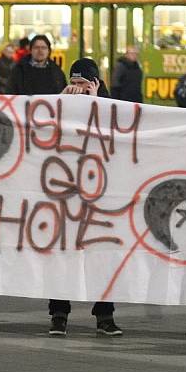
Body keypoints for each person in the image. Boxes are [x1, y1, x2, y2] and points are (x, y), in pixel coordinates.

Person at [48, 57, 121, 336]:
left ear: (96, 84)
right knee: (61, 253)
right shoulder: (61, 106)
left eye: (83, 84)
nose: (77, 88)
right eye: (73, 83)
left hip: (101, 194)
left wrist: (95, 103)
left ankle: (105, 314)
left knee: (102, 255)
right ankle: (58, 312)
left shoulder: (112, 108)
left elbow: (115, 140)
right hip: (66, 192)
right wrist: (61, 105)